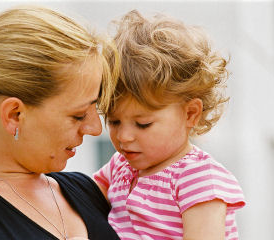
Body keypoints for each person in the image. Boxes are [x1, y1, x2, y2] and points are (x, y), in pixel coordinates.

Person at [0, 5, 120, 240]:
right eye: (78, 115)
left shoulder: (86, 190)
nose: (95, 129)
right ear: (14, 114)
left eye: (95, 108)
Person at [93, 10, 245, 240]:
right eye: (113, 121)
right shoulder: (119, 167)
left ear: (190, 114)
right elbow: (80, 202)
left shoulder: (199, 179)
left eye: (143, 124)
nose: (124, 136)